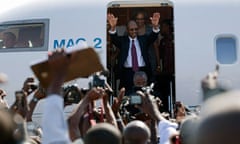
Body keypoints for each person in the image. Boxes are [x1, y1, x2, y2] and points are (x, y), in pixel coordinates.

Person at [107, 12, 160, 94]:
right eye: (132, 29)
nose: (134, 31)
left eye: (136, 29)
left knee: (144, 94)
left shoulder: (143, 39)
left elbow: (153, 37)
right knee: (128, 94)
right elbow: (114, 38)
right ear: (127, 30)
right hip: (128, 73)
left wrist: (155, 26)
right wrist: (113, 27)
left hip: (142, 71)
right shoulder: (123, 41)